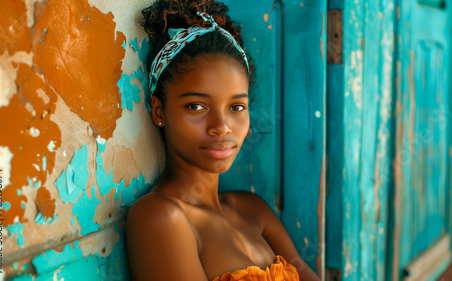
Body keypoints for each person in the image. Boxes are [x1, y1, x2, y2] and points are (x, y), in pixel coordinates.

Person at [126, 1, 321, 280]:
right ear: (159, 111)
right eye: (196, 106)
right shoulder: (161, 217)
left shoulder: (252, 210)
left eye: (236, 107)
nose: (222, 127)